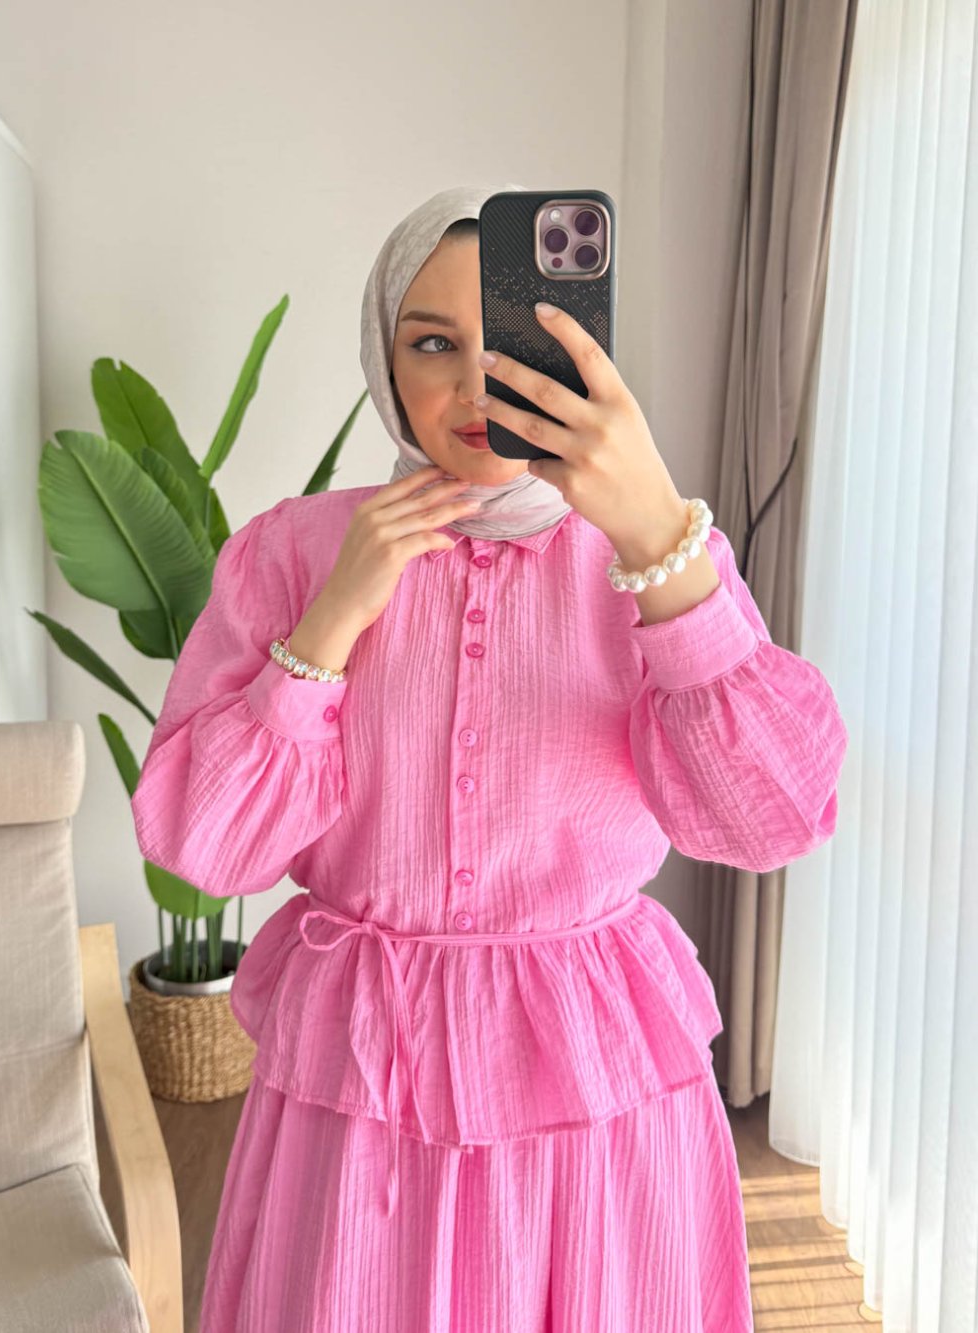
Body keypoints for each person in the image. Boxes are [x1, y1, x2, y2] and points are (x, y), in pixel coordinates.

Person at [131, 183, 848, 1332]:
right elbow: (202, 843)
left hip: (593, 1079)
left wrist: (657, 539)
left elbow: (774, 815)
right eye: (432, 344)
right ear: (384, 359)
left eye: (511, 341)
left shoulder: (651, 555)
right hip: (363, 1086)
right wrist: (334, 618)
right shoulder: (294, 551)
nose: (476, 385)